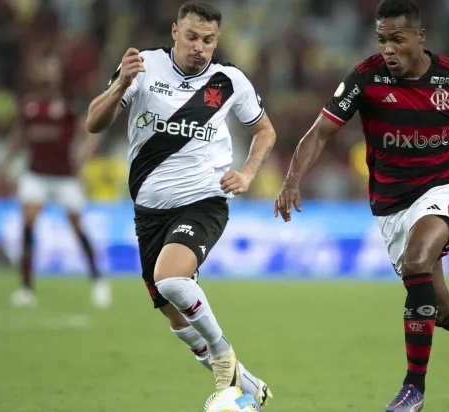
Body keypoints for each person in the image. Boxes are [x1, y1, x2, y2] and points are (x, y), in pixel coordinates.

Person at [274, 1, 449, 411]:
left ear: (419, 38)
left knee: (418, 262)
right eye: (382, 39)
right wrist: (292, 179)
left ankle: (413, 389)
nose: (387, 48)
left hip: (445, 186)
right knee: (437, 307)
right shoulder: (364, 77)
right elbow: (320, 133)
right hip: (391, 206)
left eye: (397, 39)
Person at [84, 1, 274, 405]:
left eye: (208, 40)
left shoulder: (228, 81)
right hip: (150, 211)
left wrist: (248, 173)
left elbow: (265, 131)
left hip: (203, 201)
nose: (199, 47)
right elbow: (93, 123)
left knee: (172, 279)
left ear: (216, 40)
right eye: (191, 37)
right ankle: (249, 384)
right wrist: (119, 85)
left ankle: (224, 357)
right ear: (174, 32)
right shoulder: (144, 66)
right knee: (174, 316)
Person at [2, 53, 110, 309]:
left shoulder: (69, 107)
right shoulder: (29, 107)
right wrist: (7, 161)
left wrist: (85, 151)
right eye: (43, 71)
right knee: (28, 225)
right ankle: (26, 289)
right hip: (36, 174)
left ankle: (98, 282)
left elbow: (92, 130)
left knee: (77, 227)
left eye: (51, 71)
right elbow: (19, 135)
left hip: (65, 177)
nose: (47, 76)